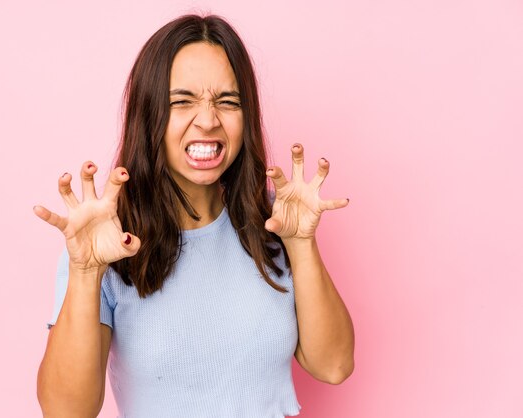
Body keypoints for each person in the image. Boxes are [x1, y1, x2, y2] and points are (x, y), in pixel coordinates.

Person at [33, 14, 354, 418]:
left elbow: (334, 365)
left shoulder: (274, 221)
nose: (208, 120)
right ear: (149, 114)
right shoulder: (106, 240)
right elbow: (65, 412)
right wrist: (85, 272)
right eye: (182, 101)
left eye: (228, 101)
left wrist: (301, 243)